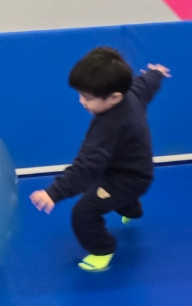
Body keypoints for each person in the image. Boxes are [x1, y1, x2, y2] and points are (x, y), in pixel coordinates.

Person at [30, 46, 171, 272]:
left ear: (114, 97)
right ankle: (132, 210)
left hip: (127, 179)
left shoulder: (108, 126)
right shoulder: (130, 93)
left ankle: (103, 248)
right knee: (113, 192)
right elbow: (145, 84)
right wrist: (156, 74)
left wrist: (54, 192)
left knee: (83, 213)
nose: (81, 102)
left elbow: (86, 167)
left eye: (87, 98)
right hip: (130, 168)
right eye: (80, 94)